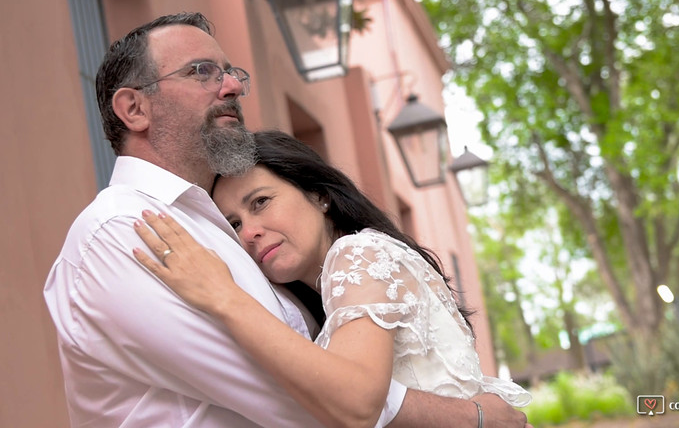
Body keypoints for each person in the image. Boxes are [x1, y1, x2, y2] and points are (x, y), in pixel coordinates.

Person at [43, 12, 532, 427]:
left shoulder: (209, 226)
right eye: (202, 71)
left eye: (231, 72)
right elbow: (302, 396)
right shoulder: (122, 232)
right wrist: (474, 416)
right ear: (134, 108)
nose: (232, 85)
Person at [132, 130, 532, 427]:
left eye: (261, 202)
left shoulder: (355, 253)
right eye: (234, 223)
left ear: (320, 196)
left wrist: (223, 296)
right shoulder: (331, 294)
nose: (249, 232)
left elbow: (358, 401)